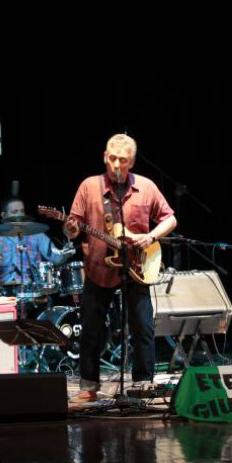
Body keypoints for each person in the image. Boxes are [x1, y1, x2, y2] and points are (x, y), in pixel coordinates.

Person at [64, 133, 177, 401]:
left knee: (143, 327)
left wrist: (150, 237)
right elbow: (72, 227)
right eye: (112, 158)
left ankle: (143, 383)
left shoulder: (146, 187)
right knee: (91, 329)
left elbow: (170, 219)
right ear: (105, 157)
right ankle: (89, 386)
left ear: (132, 162)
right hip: (98, 268)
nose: (116, 165)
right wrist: (70, 229)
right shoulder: (89, 186)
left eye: (123, 160)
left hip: (136, 267)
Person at [0, 195, 74, 296]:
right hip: (2, 292)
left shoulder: (37, 235)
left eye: (22, 211)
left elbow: (56, 260)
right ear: (4, 215)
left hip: (32, 291)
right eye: (14, 212)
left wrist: (65, 255)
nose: (19, 215)